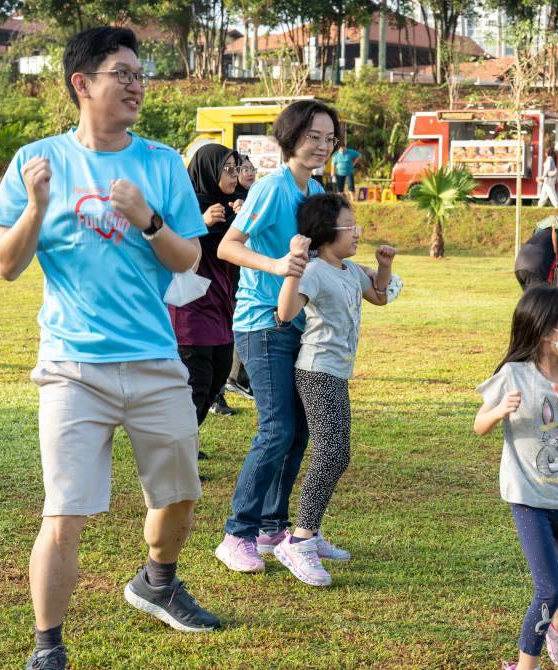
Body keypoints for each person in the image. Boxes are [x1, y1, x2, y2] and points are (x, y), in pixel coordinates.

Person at [0, 27, 220, 670]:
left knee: (180, 493)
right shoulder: (39, 160)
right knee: (64, 511)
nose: (136, 84)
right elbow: (5, 265)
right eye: (122, 72)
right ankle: (48, 647)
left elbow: (189, 256)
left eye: (140, 73)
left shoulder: (162, 163)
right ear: (82, 83)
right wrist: (35, 206)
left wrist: (148, 218)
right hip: (72, 367)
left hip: (152, 357)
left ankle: (157, 582)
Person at [215, 99, 347, 574]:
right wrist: (274, 265)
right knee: (276, 429)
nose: (322, 146)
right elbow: (230, 246)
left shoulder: (312, 189)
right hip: (262, 323)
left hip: (296, 323)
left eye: (329, 139)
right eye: (313, 137)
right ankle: (237, 533)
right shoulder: (272, 187)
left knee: (299, 432)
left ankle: (273, 528)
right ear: (290, 138)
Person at [474, 286, 558, 670]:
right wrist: (499, 410)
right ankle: (524, 666)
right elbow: (479, 425)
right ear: (544, 330)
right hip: (526, 496)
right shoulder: (513, 374)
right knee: (548, 589)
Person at [272, 194, 396, 586]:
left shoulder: (347, 270)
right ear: (326, 232)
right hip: (316, 370)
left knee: (336, 453)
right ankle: (299, 540)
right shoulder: (312, 271)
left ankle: (310, 529)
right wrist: (293, 267)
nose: (356, 232)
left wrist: (384, 266)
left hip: (336, 373)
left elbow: (378, 295)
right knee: (332, 451)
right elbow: (285, 312)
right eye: (349, 226)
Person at [171, 145, 243, 434]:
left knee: (217, 379)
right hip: (191, 308)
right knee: (197, 385)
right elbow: (167, 246)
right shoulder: (185, 207)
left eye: (236, 168)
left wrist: (243, 217)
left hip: (222, 306)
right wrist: (199, 224)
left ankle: (185, 442)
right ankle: (179, 449)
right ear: (208, 170)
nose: (234, 175)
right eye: (227, 169)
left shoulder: (235, 206)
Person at [209, 155, 257, 416]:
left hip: (235, 282)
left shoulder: (249, 199)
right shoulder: (202, 203)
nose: (243, 173)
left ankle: (231, 384)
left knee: (227, 341)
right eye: (238, 169)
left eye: (248, 168)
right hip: (207, 291)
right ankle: (221, 394)